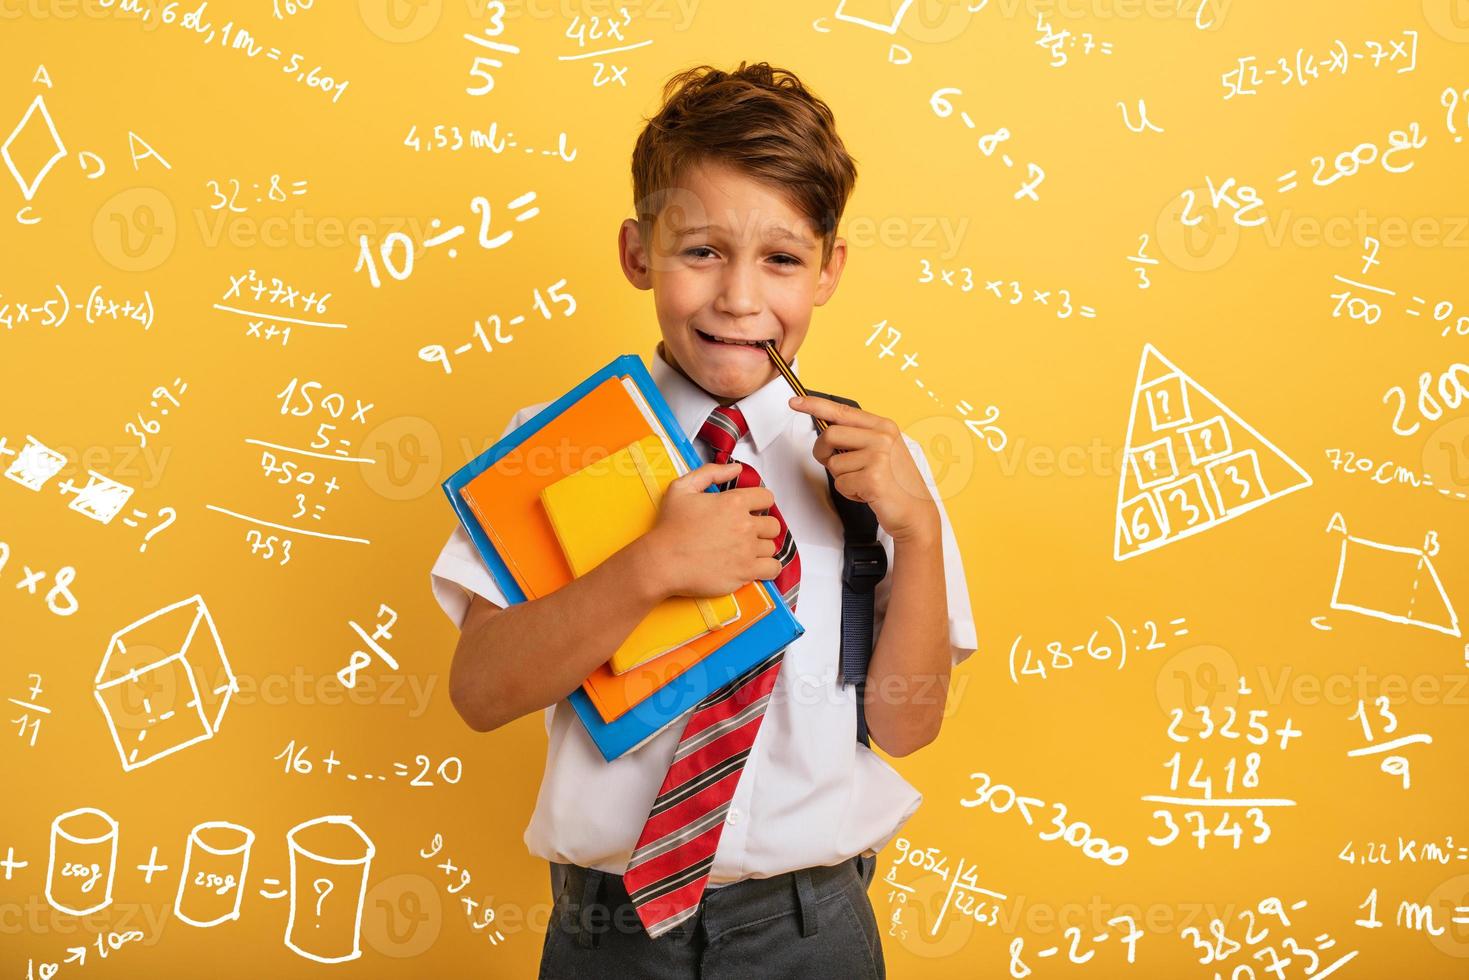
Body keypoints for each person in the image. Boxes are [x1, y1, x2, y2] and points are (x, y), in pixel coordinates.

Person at [429, 60, 978, 979]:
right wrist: (651, 566)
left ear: (827, 270)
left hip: (812, 928)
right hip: (607, 937)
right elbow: (481, 693)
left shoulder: (876, 473)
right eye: (701, 252)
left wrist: (916, 534)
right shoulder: (558, 448)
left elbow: (908, 725)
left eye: (781, 259)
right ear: (638, 251)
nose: (738, 299)